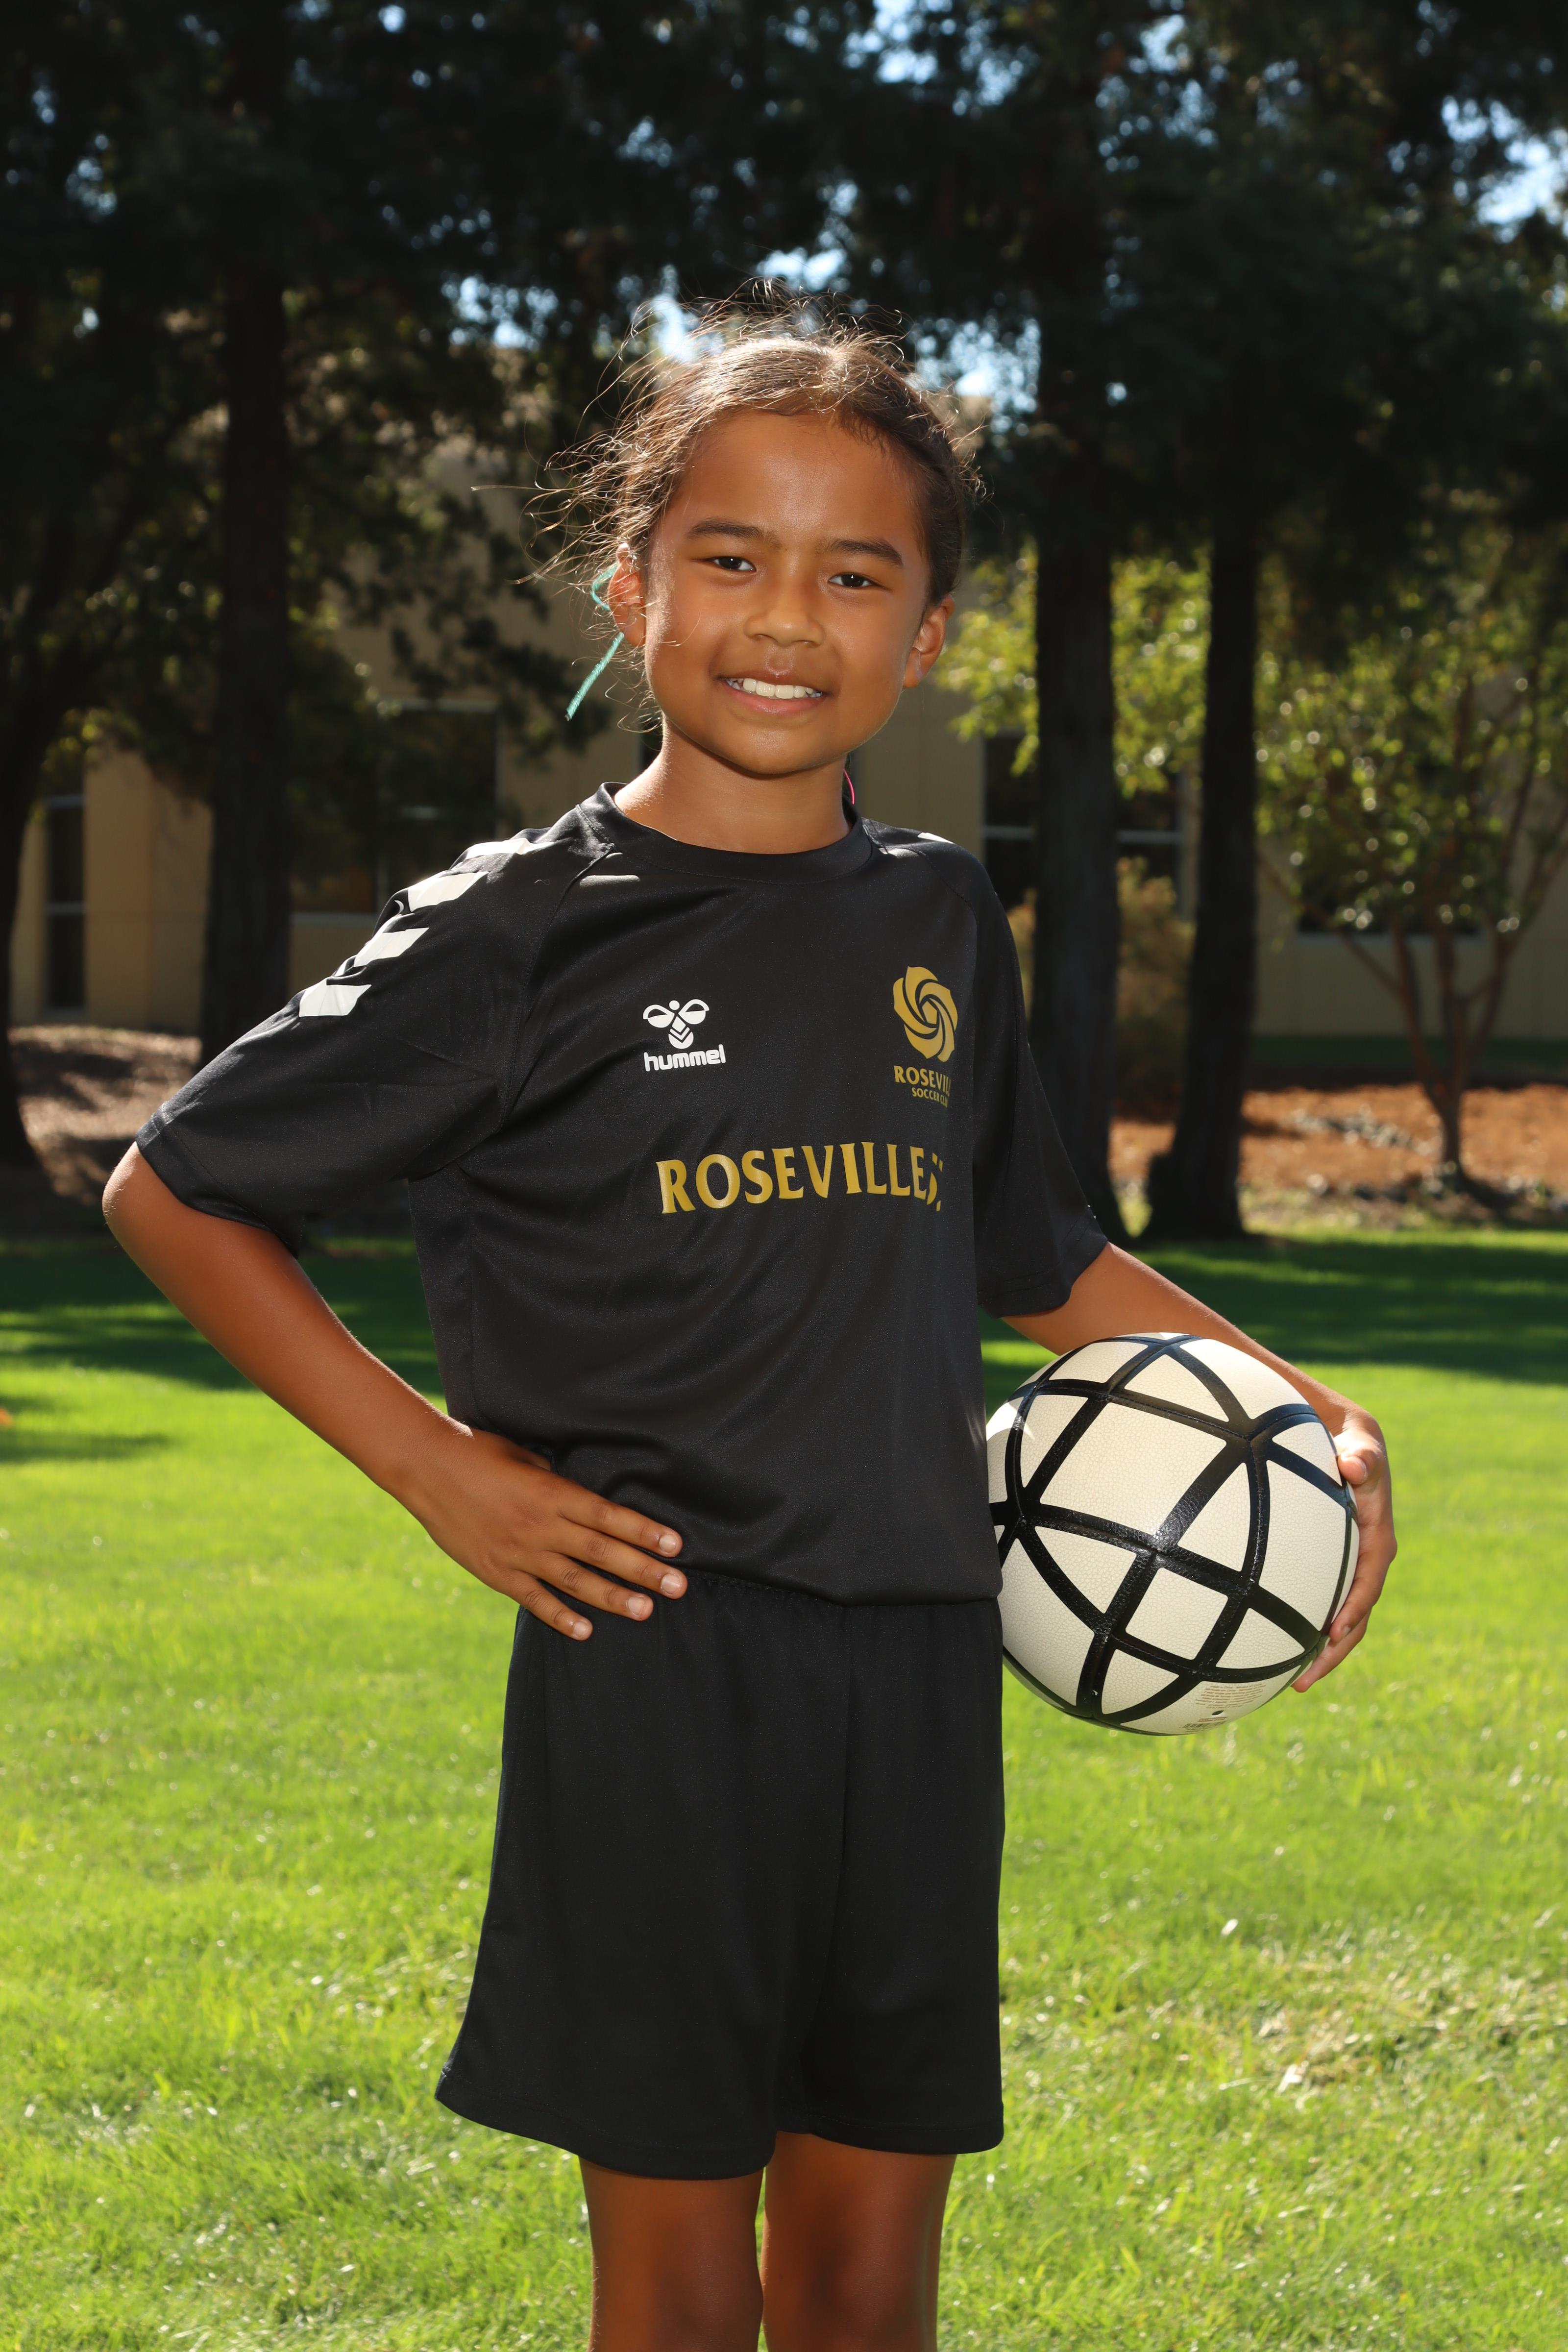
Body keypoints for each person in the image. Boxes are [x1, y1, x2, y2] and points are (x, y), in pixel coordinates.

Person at [103, 308, 1395, 2352]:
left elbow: (1042, 1260)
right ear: (632, 591)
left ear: (927, 634)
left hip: (922, 1665)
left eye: (854, 574)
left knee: (870, 2285)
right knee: (685, 2288)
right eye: (731, 557)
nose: (786, 616)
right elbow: (175, 1187)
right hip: (658, 1672)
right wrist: (439, 1473)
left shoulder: (937, 918)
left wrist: (1305, 1411)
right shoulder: (523, 926)